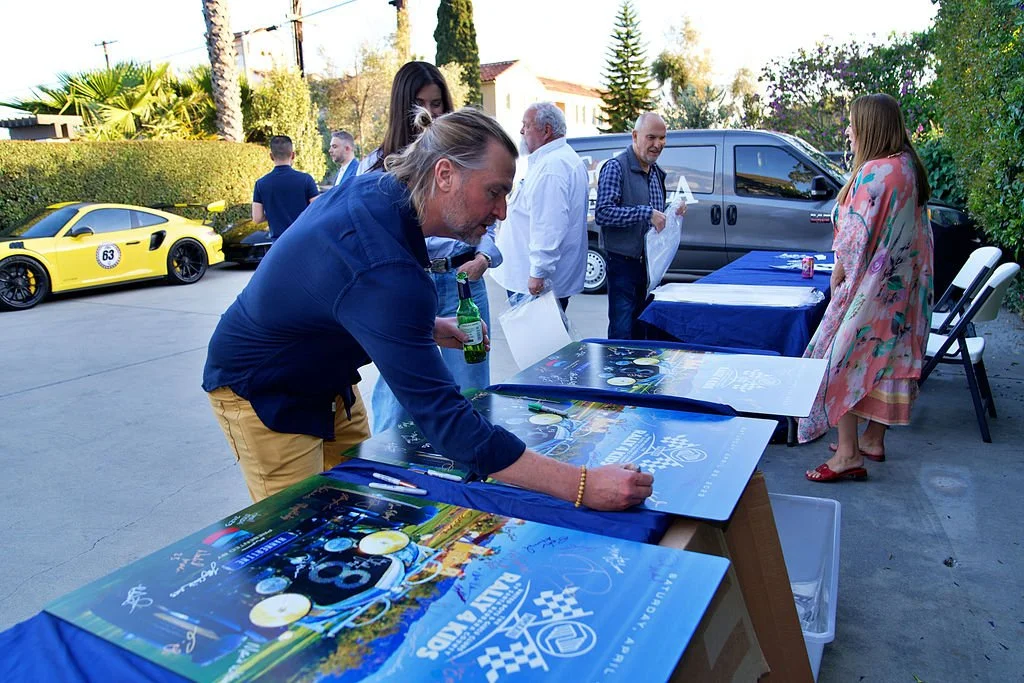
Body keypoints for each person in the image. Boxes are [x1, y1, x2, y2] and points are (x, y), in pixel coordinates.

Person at [203, 107, 652, 510]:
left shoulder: (385, 193)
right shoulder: (385, 262)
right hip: (265, 390)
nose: (500, 212)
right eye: (494, 192)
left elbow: (339, 286)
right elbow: (449, 423)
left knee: (357, 505)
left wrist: (425, 326)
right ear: (444, 175)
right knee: (302, 532)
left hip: (327, 381)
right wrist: (582, 484)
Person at [359, 61, 501, 434]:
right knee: (396, 395)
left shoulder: (465, 160)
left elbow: (492, 215)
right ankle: (389, 473)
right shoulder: (377, 166)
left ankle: (474, 472)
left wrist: (484, 258)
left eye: (437, 102)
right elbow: (370, 237)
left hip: (462, 283)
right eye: (420, 102)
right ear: (401, 106)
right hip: (406, 286)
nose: (430, 112)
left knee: (472, 391)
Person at [799, 93, 934, 482]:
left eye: (853, 123)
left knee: (843, 357)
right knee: (883, 360)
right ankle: (872, 439)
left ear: (870, 127)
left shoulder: (877, 172)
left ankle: (847, 455)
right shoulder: (908, 166)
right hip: (903, 284)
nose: (848, 131)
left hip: (872, 287)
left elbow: (856, 234)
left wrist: (839, 269)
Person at [490, 102, 589, 311]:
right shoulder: (557, 160)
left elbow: (550, 226)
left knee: (534, 342)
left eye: (526, 125)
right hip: (533, 280)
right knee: (541, 341)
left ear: (546, 131)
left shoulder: (552, 167)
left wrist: (538, 273)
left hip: (533, 284)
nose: (521, 131)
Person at [595, 112, 687, 339]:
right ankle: (618, 374)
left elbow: (655, 217)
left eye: (663, 138)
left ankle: (642, 375)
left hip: (649, 266)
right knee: (622, 332)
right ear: (635, 136)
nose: (658, 144)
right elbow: (603, 213)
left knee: (645, 329)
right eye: (652, 137)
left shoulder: (656, 173)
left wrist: (671, 212)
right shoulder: (615, 167)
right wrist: (646, 213)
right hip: (623, 265)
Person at [251, 135, 319, 239]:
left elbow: (257, 218)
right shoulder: (306, 180)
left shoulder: (261, 184)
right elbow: (318, 210)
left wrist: (273, 215)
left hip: (278, 243)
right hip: (303, 240)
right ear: (293, 155)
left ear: (271, 156)